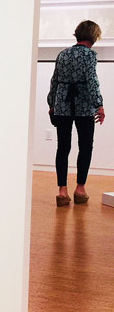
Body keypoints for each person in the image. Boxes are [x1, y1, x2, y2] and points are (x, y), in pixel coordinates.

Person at [48, 20, 105, 207]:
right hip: (84, 105)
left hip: (63, 104)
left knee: (63, 147)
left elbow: (54, 80)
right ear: (93, 36)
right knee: (86, 146)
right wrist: (99, 104)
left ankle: (62, 192)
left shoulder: (63, 54)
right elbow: (92, 81)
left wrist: (52, 103)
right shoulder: (90, 55)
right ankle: (80, 189)